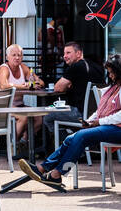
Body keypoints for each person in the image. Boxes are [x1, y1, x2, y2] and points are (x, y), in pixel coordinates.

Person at [21, 54, 121, 188]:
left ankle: (57, 173)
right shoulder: (111, 88)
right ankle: (43, 168)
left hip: (117, 129)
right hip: (108, 126)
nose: (110, 75)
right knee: (71, 138)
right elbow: (100, 110)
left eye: (111, 72)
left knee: (80, 136)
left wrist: (99, 122)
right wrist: (89, 121)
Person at [44, 41, 104, 145]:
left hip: (81, 115)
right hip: (98, 115)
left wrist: (68, 85)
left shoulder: (76, 66)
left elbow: (58, 88)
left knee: (48, 116)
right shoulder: (97, 67)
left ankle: (71, 145)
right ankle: (78, 143)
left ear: (79, 53)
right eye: (64, 53)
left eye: (68, 53)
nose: (65, 56)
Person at [0, 43, 44, 157]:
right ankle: (12, 146)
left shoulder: (23, 68)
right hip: (1, 105)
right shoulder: (4, 68)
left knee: (38, 117)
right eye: (14, 55)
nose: (17, 58)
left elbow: (40, 82)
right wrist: (25, 86)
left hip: (18, 105)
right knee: (23, 116)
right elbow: (4, 85)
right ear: (7, 57)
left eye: (20, 55)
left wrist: (33, 83)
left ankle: (23, 143)